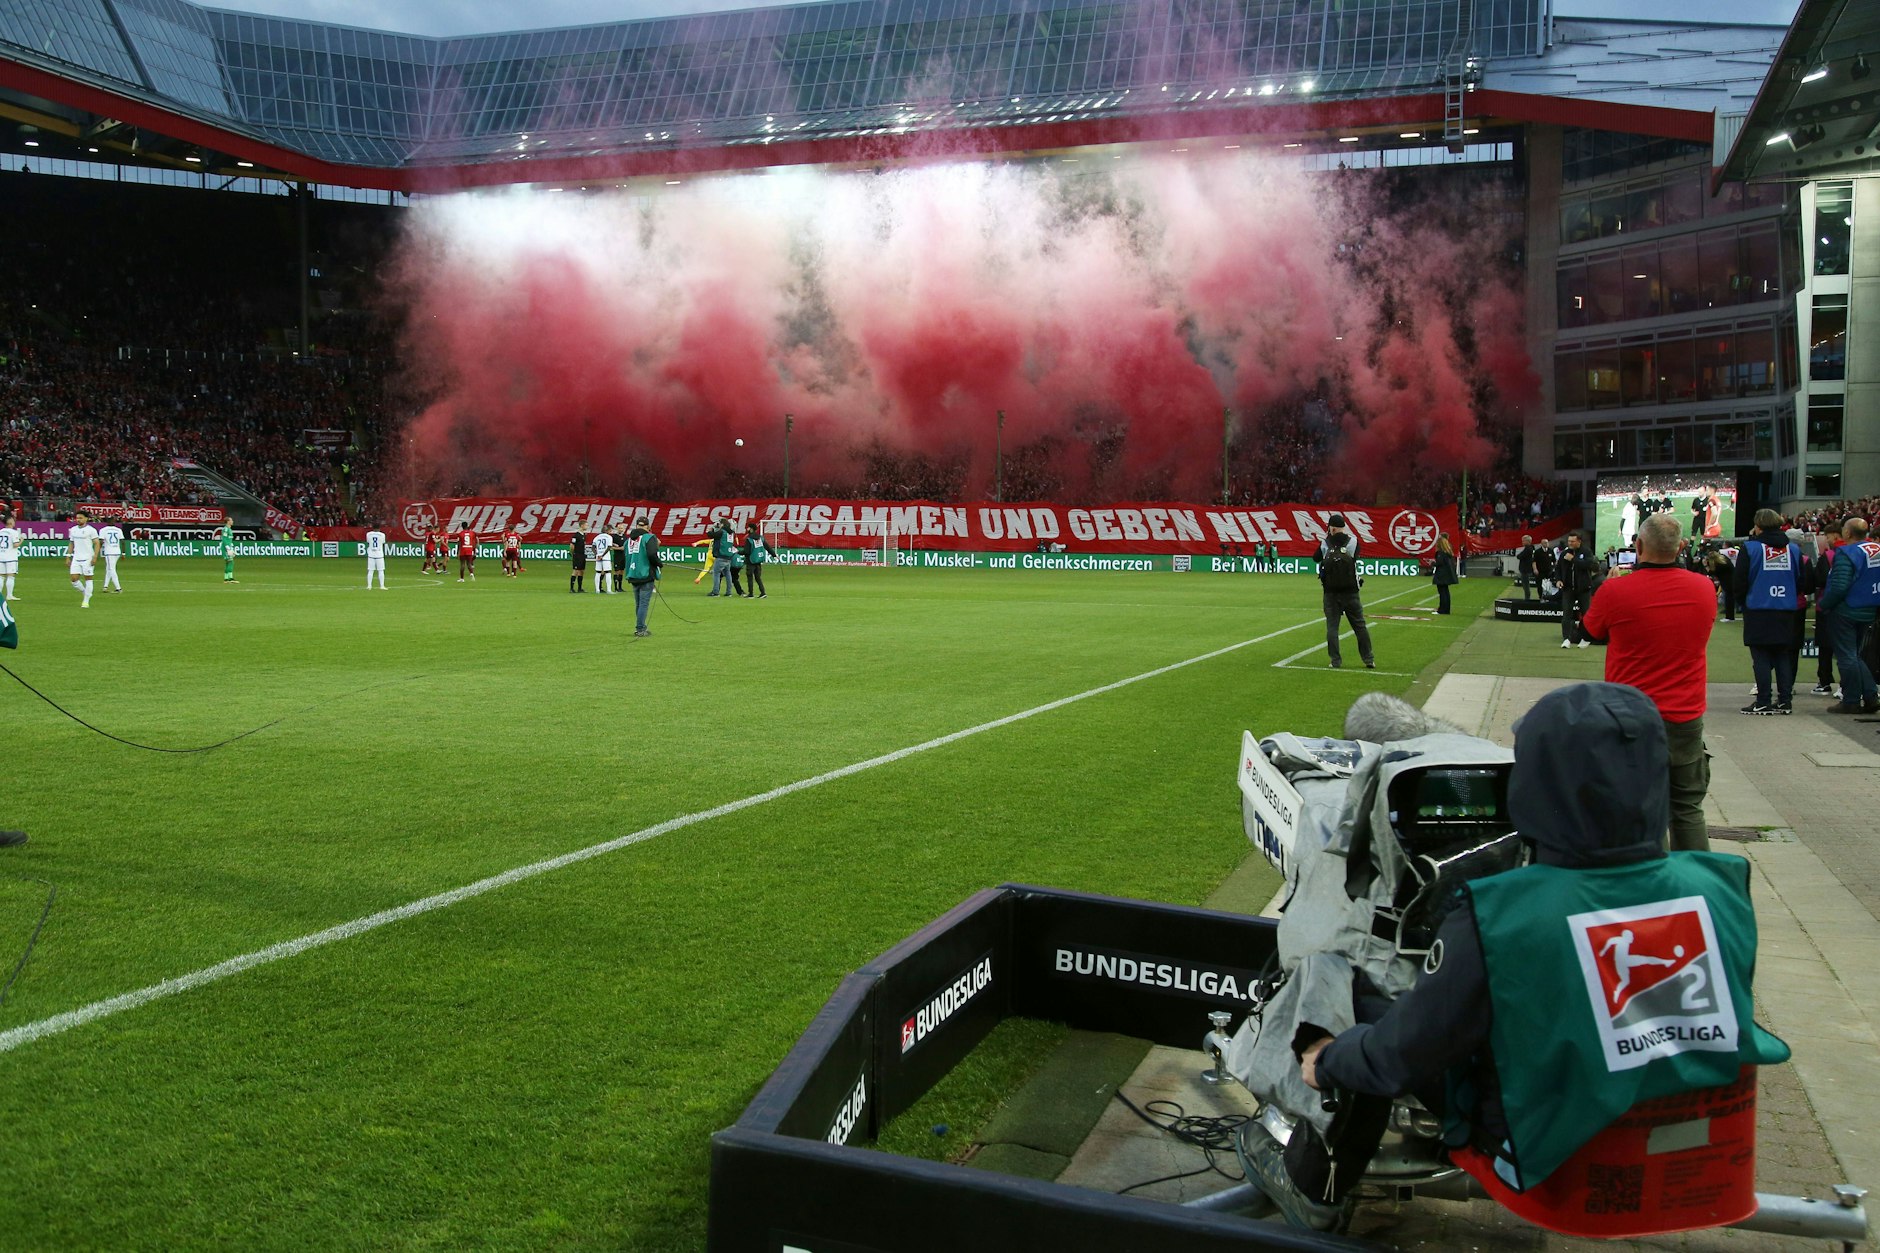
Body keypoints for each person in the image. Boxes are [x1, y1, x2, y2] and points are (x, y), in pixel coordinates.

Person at [1239, 682, 1790, 1233]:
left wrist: (1332, 1059)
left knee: (1339, 978)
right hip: (1706, 1157)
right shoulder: (1722, 885)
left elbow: (1405, 1052)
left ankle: (1316, 1186)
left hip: (1560, 1167)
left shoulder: (1502, 914)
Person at [1581, 513, 1719, 852]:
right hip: (1684, 716)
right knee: (1687, 808)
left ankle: (1652, 892)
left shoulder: (1615, 589)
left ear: (1638, 545)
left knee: (1642, 809)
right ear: (1681, 547)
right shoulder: (1703, 588)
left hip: (1629, 717)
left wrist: (1606, 585)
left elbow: (1589, 631)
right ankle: (1697, 886)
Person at [1733, 509, 1810, 716]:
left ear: (1758, 526)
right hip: (1785, 609)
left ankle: (1763, 700)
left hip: (1758, 607)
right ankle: (1785, 701)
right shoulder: (1793, 550)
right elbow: (1800, 580)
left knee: (1761, 656)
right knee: (1782, 655)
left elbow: (1739, 581)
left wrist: (1744, 603)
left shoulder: (1750, 548)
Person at [1819, 517, 1879, 715]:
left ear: (1847, 533)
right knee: (1854, 655)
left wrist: (1825, 605)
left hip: (1847, 609)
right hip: (1869, 607)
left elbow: (1839, 586)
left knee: (1847, 656)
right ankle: (1870, 696)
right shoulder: (1875, 549)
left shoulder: (1847, 552)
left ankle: (1852, 700)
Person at [1318, 530, 1373, 670]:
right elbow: (1355, 560)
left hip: (1331, 592)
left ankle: (1335, 661)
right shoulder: (1352, 542)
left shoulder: (1326, 543)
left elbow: (1315, 557)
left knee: (1332, 628)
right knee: (1360, 626)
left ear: (1331, 527)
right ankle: (1368, 659)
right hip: (1350, 592)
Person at [1555, 531, 1596, 648]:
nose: (1570, 543)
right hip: (1568, 589)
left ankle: (1585, 638)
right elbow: (1558, 569)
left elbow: (1588, 565)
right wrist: (1558, 580)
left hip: (1583, 589)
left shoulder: (1586, 551)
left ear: (1579, 541)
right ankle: (1566, 639)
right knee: (1566, 614)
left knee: (1586, 614)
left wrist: (1573, 559)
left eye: (1573, 541)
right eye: (1569, 541)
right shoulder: (1564, 553)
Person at [1812, 532, 1840, 697]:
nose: (1826, 540)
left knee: (1825, 647)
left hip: (1827, 607)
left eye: (1828, 536)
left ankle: (1825, 682)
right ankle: (1845, 685)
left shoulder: (1828, 556)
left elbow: (1819, 580)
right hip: (1846, 607)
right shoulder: (1856, 554)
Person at [623, 516, 661, 637]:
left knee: (639, 604)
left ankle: (641, 626)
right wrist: (659, 564)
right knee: (644, 604)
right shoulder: (649, 537)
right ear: (648, 526)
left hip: (632, 574)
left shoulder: (628, 541)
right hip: (645, 574)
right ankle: (640, 629)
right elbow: (651, 554)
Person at [68, 511, 99, 608]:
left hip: (87, 558)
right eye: (77, 518)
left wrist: (95, 557)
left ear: (86, 519)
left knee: (88, 579)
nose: (78, 520)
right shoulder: (73, 530)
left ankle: (86, 601)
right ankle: (85, 592)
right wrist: (68, 556)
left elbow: (97, 543)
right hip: (76, 558)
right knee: (74, 579)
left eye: (81, 518)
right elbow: (71, 543)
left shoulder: (91, 530)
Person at [710, 520, 738, 597]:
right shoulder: (731, 533)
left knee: (716, 574)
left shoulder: (722, 532)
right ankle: (729, 592)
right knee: (728, 574)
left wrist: (712, 529)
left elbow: (711, 535)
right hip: (728, 556)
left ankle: (715, 592)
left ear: (722, 524)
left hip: (721, 556)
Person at [742, 522, 770, 599]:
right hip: (758, 561)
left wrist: (738, 552)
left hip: (750, 561)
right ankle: (763, 592)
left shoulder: (749, 539)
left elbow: (746, 551)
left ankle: (751, 594)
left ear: (751, 529)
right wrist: (774, 555)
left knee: (750, 577)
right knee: (758, 577)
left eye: (748, 528)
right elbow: (767, 547)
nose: (747, 529)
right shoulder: (761, 538)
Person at [1431, 535, 1457, 615]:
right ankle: (1446, 609)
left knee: (1442, 592)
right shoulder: (1448, 552)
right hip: (1447, 575)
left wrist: (1433, 563)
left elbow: (1439, 563)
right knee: (1445, 592)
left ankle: (1442, 610)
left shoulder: (1441, 553)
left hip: (1442, 575)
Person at [99, 518, 125, 593]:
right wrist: (123, 553)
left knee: (111, 569)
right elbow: (122, 541)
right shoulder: (118, 530)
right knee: (109, 569)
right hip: (117, 551)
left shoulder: (103, 530)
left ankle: (118, 588)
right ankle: (105, 586)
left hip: (109, 552)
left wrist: (97, 551)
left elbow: (101, 542)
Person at [0, 511, 21, 601]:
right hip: (10, 557)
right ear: (10, 522)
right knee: (11, 576)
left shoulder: (1, 531)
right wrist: (22, 540)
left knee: (1, 576)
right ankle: (9, 595)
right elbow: (15, 545)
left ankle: (0, 595)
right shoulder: (13, 532)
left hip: (1, 556)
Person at [364, 523, 388, 590]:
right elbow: (383, 542)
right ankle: (382, 586)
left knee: (370, 570)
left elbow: (368, 542)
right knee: (381, 570)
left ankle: (369, 586)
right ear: (379, 528)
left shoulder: (368, 534)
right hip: (379, 554)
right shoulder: (382, 535)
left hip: (371, 554)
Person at [591, 525, 614, 595]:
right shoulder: (609, 537)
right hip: (606, 557)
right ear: (607, 530)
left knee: (598, 572)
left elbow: (593, 547)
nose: (611, 532)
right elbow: (609, 547)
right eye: (610, 531)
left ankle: (597, 590)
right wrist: (603, 555)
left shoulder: (596, 537)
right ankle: (609, 590)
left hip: (598, 556)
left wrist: (597, 554)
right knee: (608, 572)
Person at [1516, 534, 1536, 600]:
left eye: (1523, 541)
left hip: (1525, 569)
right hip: (1526, 569)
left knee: (1526, 585)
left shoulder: (1528, 549)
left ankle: (1527, 598)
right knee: (1525, 584)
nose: (1522, 542)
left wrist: (1519, 556)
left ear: (1528, 541)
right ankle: (1527, 597)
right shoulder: (1531, 548)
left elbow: (1519, 556)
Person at [217, 518, 237, 583]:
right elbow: (224, 539)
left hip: (229, 546)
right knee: (231, 562)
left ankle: (226, 579)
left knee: (228, 562)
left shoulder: (229, 529)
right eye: (231, 520)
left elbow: (229, 540)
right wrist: (228, 548)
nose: (232, 521)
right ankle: (230, 578)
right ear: (228, 521)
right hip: (226, 547)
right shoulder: (225, 529)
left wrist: (231, 546)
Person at [569, 529, 587, 593]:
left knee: (581, 571)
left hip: (582, 555)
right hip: (577, 555)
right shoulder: (576, 535)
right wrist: (572, 552)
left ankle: (580, 588)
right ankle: (571, 588)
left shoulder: (584, 535)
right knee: (575, 571)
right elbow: (572, 545)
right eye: (586, 525)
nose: (587, 526)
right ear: (582, 525)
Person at [612, 523, 629, 592]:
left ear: (624, 529)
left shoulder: (625, 537)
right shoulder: (614, 537)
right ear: (617, 529)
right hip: (617, 556)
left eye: (622, 528)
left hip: (623, 556)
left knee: (622, 571)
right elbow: (611, 547)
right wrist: (619, 548)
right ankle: (616, 588)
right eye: (619, 528)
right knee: (617, 571)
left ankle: (620, 587)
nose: (620, 530)